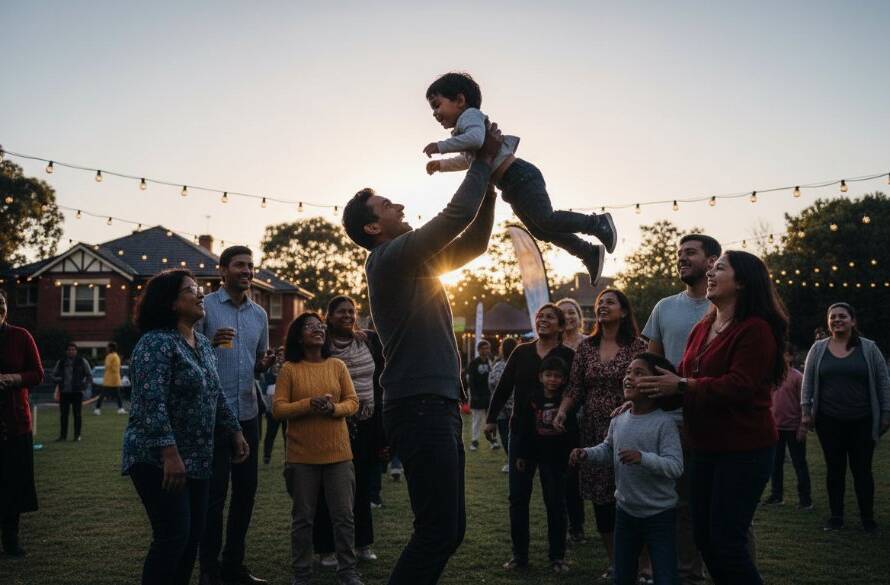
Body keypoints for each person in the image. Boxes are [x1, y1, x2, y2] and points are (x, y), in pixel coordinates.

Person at [342, 118, 503, 585]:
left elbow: (472, 240)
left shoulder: (417, 265)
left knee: (450, 531)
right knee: (436, 530)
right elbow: (454, 218)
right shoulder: (386, 259)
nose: (399, 204)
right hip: (418, 409)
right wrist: (484, 160)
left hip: (437, 406)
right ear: (374, 226)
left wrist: (488, 186)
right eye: (387, 205)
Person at [637, 250, 787, 585]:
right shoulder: (703, 327)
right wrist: (645, 396)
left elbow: (739, 386)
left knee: (728, 542)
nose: (710, 273)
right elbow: (684, 381)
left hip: (744, 450)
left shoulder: (756, 330)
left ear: (743, 282)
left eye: (719, 268)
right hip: (703, 447)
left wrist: (681, 384)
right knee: (704, 539)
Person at [423, 72, 615, 284]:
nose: (434, 113)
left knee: (546, 219)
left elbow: (477, 140)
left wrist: (441, 147)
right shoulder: (462, 133)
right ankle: (588, 253)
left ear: (460, 100)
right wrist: (441, 166)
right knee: (540, 230)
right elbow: (468, 160)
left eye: (436, 105)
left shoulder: (470, 117)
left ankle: (597, 224)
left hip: (520, 175)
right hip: (511, 187)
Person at [122, 269, 249, 585]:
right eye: (192, 289)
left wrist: (234, 430)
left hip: (198, 458)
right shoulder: (155, 344)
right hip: (158, 459)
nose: (201, 294)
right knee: (173, 536)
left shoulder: (203, 344)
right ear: (171, 303)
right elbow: (151, 402)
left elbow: (215, 392)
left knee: (192, 536)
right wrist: (170, 454)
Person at [641, 233, 720, 585]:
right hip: (672, 421)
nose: (681, 258)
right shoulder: (664, 307)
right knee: (682, 505)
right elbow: (652, 363)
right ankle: (690, 575)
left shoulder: (726, 305)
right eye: (679, 253)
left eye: (690, 253)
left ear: (712, 260)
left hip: (718, 417)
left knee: (724, 509)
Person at [554, 289, 646, 579]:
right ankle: (616, 562)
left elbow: (648, 383)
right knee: (602, 498)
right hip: (594, 428)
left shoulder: (638, 346)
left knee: (632, 496)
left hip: (630, 424)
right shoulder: (586, 348)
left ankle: (644, 564)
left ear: (623, 310)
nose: (603, 306)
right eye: (600, 303)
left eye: (610, 302)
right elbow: (576, 387)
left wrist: (636, 401)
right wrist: (563, 410)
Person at [198, 246, 276, 585]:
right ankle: (209, 571)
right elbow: (189, 352)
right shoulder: (205, 308)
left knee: (246, 494)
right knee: (214, 497)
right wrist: (210, 343)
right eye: (239, 265)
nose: (247, 271)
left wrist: (265, 364)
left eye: (250, 266)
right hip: (215, 413)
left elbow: (258, 361)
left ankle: (234, 566)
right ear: (223, 270)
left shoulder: (259, 315)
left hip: (248, 411)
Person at [571, 352, 684, 585]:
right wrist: (587, 453)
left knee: (665, 576)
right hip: (625, 512)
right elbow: (608, 450)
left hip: (659, 515)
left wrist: (643, 458)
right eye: (627, 372)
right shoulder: (618, 419)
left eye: (638, 373)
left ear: (656, 384)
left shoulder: (664, 423)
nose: (628, 377)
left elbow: (675, 467)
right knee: (622, 575)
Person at [272, 312, 363, 585]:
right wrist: (308, 404)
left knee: (344, 517)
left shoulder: (337, 366)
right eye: (310, 326)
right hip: (302, 457)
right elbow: (277, 409)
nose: (318, 329)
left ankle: (347, 571)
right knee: (303, 519)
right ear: (299, 336)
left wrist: (333, 409)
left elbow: (353, 402)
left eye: (320, 326)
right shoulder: (290, 369)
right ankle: (302, 574)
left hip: (338, 455)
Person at [484, 303, 575, 570]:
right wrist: (490, 419)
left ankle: (557, 556)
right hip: (521, 434)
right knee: (518, 497)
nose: (542, 320)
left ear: (560, 325)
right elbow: (503, 387)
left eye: (549, 317)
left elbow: (575, 391)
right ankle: (519, 556)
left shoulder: (568, 356)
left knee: (555, 498)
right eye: (539, 317)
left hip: (554, 438)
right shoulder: (522, 352)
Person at [801, 302, 890, 533]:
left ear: (853, 321)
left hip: (863, 420)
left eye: (842, 316)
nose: (837, 320)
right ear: (828, 322)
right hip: (828, 420)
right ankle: (836, 517)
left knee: (863, 470)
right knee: (834, 469)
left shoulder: (869, 348)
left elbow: (883, 381)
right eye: (833, 317)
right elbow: (807, 382)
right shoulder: (818, 349)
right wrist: (805, 411)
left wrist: (886, 413)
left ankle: (867, 519)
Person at [314, 296, 385, 566]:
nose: (348, 316)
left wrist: (382, 427)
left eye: (351, 312)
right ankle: (326, 548)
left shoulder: (368, 341)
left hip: (366, 422)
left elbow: (380, 380)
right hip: (333, 424)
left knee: (363, 485)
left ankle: (363, 544)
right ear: (329, 316)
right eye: (341, 312)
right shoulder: (322, 346)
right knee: (328, 487)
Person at [513, 355, 578, 573]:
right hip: (532, 454)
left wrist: (572, 453)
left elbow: (573, 432)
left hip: (556, 458)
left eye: (557, 376)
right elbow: (523, 428)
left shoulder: (566, 401)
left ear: (564, 379)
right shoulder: (531, 398)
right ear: (540, 377)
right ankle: (520, 555)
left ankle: (557, 556)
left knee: (556, 506)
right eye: (548, 375)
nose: (552, 380)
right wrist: (521, 455)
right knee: (521, 502)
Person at [0, 289, 44, 557]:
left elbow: (37, 374)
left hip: (15, 423)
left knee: (13, 485)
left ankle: (10, 539)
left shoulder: (21, 336)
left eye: (1, 302)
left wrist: (13, 379)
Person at [555, 297, 588, 542]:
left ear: (579, 316)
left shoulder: (589, 343)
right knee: (568, 471)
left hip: (587, 411)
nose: (569, 316)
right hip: (562, 413)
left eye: (572, 312)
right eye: (564, 313)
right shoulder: (553, 346)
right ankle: (575, 525)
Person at [763, 346, 812, 509]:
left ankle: (805, 500)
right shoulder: (771, 376)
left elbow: (805, 403)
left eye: (784, 355)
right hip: (775, 428)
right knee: (775, 464)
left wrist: (803, 427)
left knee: (799, 463)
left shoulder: (798, 377)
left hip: (794, 428)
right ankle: (777, 496)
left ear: (790, 357)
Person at [52, 342, 92, 442]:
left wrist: (84, 385)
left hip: (77, 392)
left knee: (77, 414)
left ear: (76, 351)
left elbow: (89, 375)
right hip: (64, 392)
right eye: (69, 349)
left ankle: (77, 435)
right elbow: (53, 375)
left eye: (73, 349)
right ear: (66, 351)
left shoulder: (82, 361)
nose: (71, 351)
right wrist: (59, 379)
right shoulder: (61, 362)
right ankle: (62, 436)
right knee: (63, 415)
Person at [489, 337, 518, 474]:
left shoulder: (498, 366)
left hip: (501, 408)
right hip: (516, 407)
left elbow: (491, 385)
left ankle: (511, 461)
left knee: (506, 436)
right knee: (517, 435)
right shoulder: (521, 364)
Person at [466, 339, 498, 451]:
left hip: (489, 396)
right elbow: (471, 381)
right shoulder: (474, 363)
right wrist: (473, 394)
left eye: (487, 348)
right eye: (483, 348)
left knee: (491, 420)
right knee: (477, 420)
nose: (486, 350)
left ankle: (493, 441)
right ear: (479, 350)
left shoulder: (492, 362)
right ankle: (474, 441)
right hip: (478, 396)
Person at [94, 341, 126, 415]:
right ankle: (97, 409)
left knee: (117, 395)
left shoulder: (112, 356)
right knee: (103, 395)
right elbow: (108, 366)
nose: (106, 349)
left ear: (111, 348)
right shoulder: (113, 356)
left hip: (114, 379)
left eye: (107, 347)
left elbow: (108, 366)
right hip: (110, 379)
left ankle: (120, 409)